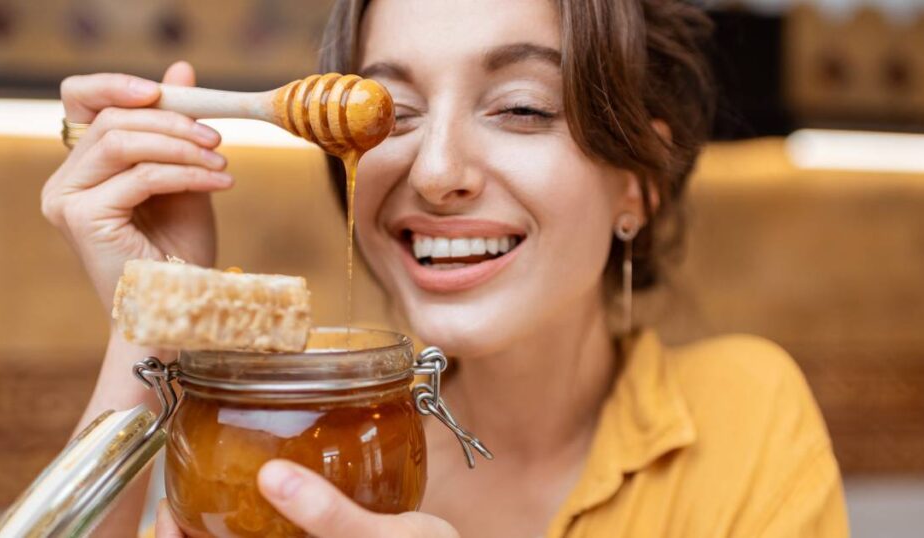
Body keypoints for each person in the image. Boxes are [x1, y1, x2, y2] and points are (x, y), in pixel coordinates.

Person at [42, 0, 849, 536]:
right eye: (390, 113)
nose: (434, 172)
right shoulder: (305, 440)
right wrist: (157, 310)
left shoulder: (743, 414)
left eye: (522, 107)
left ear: (639, 180)